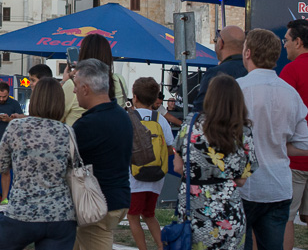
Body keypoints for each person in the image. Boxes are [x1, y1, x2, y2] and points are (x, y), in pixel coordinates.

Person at [0, 77, 75, 250]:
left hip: (22, 211)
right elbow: (74, 168)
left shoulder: (16, 127)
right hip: (61, 214)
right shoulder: (67, 131)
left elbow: (0, 166)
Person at [238, 28, 308, 249]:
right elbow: (304, 143)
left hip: (245, 186)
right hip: (278, 185)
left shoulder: (237, 88)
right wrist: (277, 144)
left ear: (247, 53)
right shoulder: (290, 93)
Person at [172, 74, 256, 249]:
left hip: (193, 214)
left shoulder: (190, 126)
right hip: (229, 214)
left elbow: (178, 167)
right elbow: (241, 180)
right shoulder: (243, 132)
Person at [71, 58, 133, 250]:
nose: (73, 91)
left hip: (97, 203)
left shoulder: (88, 124)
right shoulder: (121, 115)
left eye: (75, 86)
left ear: (85, 88)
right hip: (117, 196)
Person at [126, 77, 174, 250]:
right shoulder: (160, 119)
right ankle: (162, 247)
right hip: (156, 176)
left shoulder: (128, 118)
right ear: (155, 99)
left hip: (135, 176)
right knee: (149, 214)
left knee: (133, 216)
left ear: (135, 97)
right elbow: (170, 147)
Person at [283, 19, 308, 250]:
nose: (284, 45)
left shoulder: (291, 70)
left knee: (286, 218)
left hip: (296, 158)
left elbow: (281, 115)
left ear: (298, 42)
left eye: (287, 40)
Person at [62, 34, 126, 126]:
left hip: (78, 137)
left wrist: (64, 81)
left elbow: (56, 116)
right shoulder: (119, 80)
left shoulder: (73, 84)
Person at [193, 25, 246, 111]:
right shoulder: (252, 71)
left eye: (216, 40)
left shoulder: (214, 74)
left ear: (221, 43)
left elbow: (200, 111)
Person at [0, 80, 22, 203]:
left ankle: (5, 198)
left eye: (4, 96)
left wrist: (9, 119)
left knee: (6, 171)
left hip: (8, 142)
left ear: (8, 93)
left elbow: (21, 121)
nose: (1, 99)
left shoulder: (14, 104)